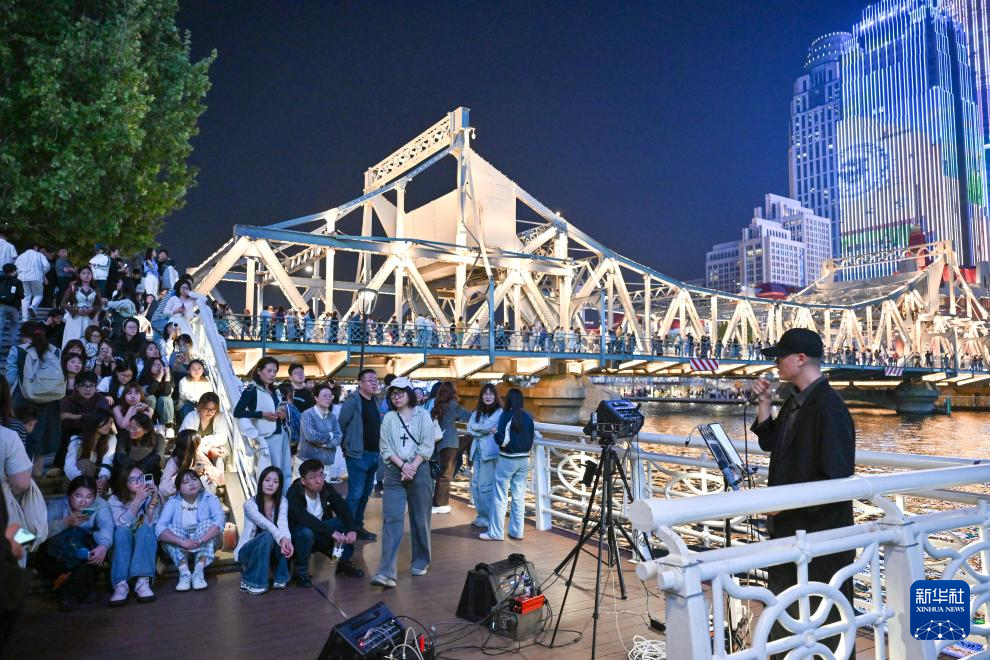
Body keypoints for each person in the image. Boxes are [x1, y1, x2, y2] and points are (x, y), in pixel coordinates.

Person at [749, 328, 855, 657]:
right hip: (792, 533)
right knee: (786, 613)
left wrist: (784, 506)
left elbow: (836, 477)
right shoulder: (796, 400)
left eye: (780, 356)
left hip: (820, 538)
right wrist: (764, 403)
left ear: (800, 359)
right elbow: (771, 441)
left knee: (828, 622)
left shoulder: (830, 407)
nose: (776, 363)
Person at [370, 377, 435, 588]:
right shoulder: (389, 418)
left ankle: (421, 561)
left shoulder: (423, 415)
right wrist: (403, 466)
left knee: (420, 519)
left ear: (409, 393)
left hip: (420, 470)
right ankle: (386, 572)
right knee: (391, 520)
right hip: (394, 472)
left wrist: (412, 466)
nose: (396, 397)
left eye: (400, 393)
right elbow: (385, 447)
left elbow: (427, 444)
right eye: (392, 394)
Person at [39, 476, 113, 611]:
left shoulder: (100, 504)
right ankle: (83, 592)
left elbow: (106, 526)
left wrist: (103, 546)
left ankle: (67, 593)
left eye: (89, 497)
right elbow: (40, 532)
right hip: (59, 553)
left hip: (84, 550)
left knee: (85, 545)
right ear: (69, 496)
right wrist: (65, 523)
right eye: (78, 496)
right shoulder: (57, 505)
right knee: (56, 545)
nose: (83, 501)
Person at [287, 458, 362, 586]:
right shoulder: (294, 492)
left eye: (321, 475)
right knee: (305, 532)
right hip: (300, 539)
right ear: (303, 481)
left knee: (344, 522)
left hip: (321, 534)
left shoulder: (325, 488)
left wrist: (351, 529)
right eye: (312, 477)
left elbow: (342, 508)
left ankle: (342, 562)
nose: (319, 481)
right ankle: (301, 573)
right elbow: (303, 518)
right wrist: (331, 531)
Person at [155, 468, 224, 591]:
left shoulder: (210, 498)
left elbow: (219, 522)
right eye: (186, 482)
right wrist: (182, 541)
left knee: (208, 524)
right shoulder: (173, 502)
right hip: (182, 545)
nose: (192, 483)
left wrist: (201, 539)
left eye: (194, 479)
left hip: (202, 542)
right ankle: (184, 573)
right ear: (179, 488)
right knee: (171, 528)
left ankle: (198, 572)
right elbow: (160, 528)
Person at [480, 388, 534, 541]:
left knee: (500, 496)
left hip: (507, 460)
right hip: (524, 460)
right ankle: (517, 532)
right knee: (519, 497)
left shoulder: (505, 415)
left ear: (508, 400)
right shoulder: (528, 416)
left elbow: (503, 440)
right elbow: (531, 439)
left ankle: (496, 533)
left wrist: (494, 433)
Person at [107, 463, 161, 606]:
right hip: (123, 543)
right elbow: (122, 524)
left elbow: (151, 523)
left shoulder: (151, 497)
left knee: (145, 529)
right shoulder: (114, 500)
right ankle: (121, 585)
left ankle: (142, 581)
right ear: (125, 483)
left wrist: (154, 498)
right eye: (133, 480)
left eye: (142, 478)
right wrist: (137, 500)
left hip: (143, 542)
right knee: (121, 532)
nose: (139, 482)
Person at [337, 368, 381, 541]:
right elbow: (341, 424)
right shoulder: (352, 401)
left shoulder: (375, 400)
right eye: (370, 380)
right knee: (355, 494)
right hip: (357, 454)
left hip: (374, 453)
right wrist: (347, 447)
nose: (374, 383)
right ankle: (347, 528)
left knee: (365, 493)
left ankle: (357, 526)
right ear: (360, 383)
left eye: (376, 380)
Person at [234, 357, 290, 492]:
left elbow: (280, 410)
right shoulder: (251, 390)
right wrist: (261, 414)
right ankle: (273, 500)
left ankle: (284, 499)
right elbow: (238, 412)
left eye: (275, 372)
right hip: (268, 436)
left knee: (286, 472)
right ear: (259, 371)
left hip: (282, 433)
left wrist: (283, 415)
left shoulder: (276, 391)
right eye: (269, 371)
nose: (272, 374)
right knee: (274, 472)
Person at [235, 466, 293, 595]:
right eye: (267, 480)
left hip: (269, 551)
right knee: (269, 535)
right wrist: (282, 538)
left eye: (275, 481)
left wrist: (287, 540)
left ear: (279, 485)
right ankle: (251, 582)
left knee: (284, 537)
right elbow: (266, 524)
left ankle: (280, 577)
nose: (270, 484)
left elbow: (283, 524)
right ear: (261, 481)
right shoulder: (249, 504)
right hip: (248, 551)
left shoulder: (283, 501)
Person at [430, 382, 470, 514]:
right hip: (450, 443)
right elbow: (467, 417)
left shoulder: (438, 404)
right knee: (446, 475)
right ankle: (439, 504)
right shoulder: (453, 405)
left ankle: (437, 502)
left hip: (440, 443)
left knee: (442, 474)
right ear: (453, 392)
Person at [466, 384, 502, 530]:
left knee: (485, 486)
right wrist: (483, 430)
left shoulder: (499, 412)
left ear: (495, 396)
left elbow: (485, 426)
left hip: (488, 453)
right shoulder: (477, 412)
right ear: (481, 396)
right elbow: (469, 428)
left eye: (491, 394)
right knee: (475, 485)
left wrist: (478, 428)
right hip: (476, 451)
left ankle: (488, 517)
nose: (488, 397)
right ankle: (481, 515)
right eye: (485, 394)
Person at [64, 410, 117, 496]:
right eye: (106, 422)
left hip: (97, 480)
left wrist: (102, 480)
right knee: (85, 463)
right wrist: (90, 482)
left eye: (110, 423)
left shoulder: (111, 439)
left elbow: (107, 461)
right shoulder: (76, 440)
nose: (109, 426)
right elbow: (69, 467)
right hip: (77, 480)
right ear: (95, 421)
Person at [159, 429, 224, 499]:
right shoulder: (174, 462)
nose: (199, 447)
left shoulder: (197, 455)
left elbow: (220, 479)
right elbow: (163, 490)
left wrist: (207, 473)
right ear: (191, 447)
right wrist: (187, 475)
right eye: (198, 445)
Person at [297, 382, 342, 469]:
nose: (328, 398)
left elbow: (339, 436)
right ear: (316, 397)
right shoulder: (307, 414)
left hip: (326, 462)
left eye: (330, 396)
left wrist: (326, 445)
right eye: (324, 396)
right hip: (307, 463)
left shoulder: (332, 417)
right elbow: (311, 437)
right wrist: (330, 435)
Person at [179, 392, 229, 470]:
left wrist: (208, 447)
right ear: (200, 407)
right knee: (195, 455)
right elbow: (189, 442)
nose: (210, 412)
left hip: (209, 450)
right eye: (207, 408)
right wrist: (208, 450)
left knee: (223, 454)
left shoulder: (220, 416)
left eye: (213, 409)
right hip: (192, 451)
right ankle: (199, 473)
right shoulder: (191, 417)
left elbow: (221, 438)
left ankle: (216, 476)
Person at [60, 266, 103, 349]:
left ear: (92, 275)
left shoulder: (95, 288)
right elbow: (63, 303)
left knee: (88, 339)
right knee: (74, 338)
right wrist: (76, 310)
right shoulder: (73, 287)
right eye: (83, 273)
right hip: (75, 319)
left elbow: (99, 304)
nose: (86, 275)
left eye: (88, 273)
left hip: (89, 319)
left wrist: (92, 310)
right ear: (79, 275)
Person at [14, 243, 49, 320]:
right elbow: (47, 266)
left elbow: (15, 267)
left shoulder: (21, 256)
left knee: (25, 297)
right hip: (36, 277)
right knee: (38, 294)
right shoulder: (39, 255)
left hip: (22, 278)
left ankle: (24, 318)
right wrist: (42, 273)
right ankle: (33, 306)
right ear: (35, 247)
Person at [0, 264, 23, 350]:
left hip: (1, 306)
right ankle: (11, 344)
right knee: (14, 325)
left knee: (0, 326)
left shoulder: (1, 279)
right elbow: (21, 295)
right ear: (13, 271)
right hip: (14, 307)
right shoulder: (17, 281)